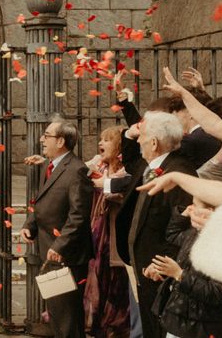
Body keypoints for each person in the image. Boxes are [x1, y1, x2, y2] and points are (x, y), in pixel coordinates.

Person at [21, 116, 93, 338]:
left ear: (61, 141)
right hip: (50, 250)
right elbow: (42, 199)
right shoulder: (53, 166)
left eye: (47, 135)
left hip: (65, 256)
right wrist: (30, 224)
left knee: (67, 316)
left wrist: (60, 245)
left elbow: (78, 215)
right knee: (58, 313)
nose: (42, 139)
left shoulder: (76, 170)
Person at [128, 110, 197, 338]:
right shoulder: (152, 166)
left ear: (155, 142)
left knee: (158, 329)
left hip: (159, 271)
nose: (138, 139)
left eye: (142, 136)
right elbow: (129, 161)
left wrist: (160, 266)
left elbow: (183, 228)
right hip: (144, 267)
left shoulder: (178, 173)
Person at [151, 197, 222, 338]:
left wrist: (179, 275)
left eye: (194, 206)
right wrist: (182, 215)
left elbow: (216, 293)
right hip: (182, 319)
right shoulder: (196, 232)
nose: (190, 208)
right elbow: (173, 235)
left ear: (209, 211)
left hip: (200, 326)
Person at [82, 125, 131, 338]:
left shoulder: (127, 171)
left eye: (107, 140)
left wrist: (104, 185)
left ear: (119, 146)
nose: (101, 144)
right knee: (96, 272)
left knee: (115, 277)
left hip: (114, 231)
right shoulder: (99, 165)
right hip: (98, 228)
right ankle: (95, 320)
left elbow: (122, 195)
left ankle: (115, 324)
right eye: (100, 140)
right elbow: (77, 170)